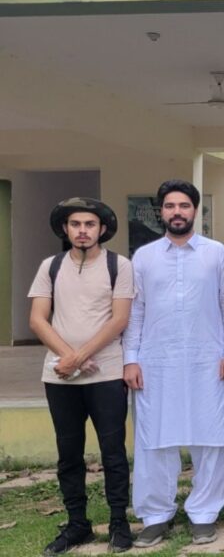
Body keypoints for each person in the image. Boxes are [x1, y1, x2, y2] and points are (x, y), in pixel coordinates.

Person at [123, 180, 224, 548]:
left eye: (184, 206)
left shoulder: (216, 253)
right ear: (161, 211)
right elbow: (135, 311)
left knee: (210, 439)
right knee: (153, 441)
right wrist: (131, 359)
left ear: (195, 211)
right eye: (170, 206)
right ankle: (156, 514)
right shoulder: (143, 257)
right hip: (154, 362)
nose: (177, 212)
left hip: (208, 360)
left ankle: (204, 514)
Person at [28, 198, 133, 555]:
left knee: (113, 451)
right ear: (65, 229)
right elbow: (38, 319)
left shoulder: (120, 266)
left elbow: (119, 319)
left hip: (105, 373)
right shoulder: (51, 266)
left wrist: (82, 355)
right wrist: (68, 358)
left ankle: (119, 521)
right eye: (75, 224)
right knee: (68, 453)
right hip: (60, 376)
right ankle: (77, 525)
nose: (83, 230)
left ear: (102, 229)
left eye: (90, 224)